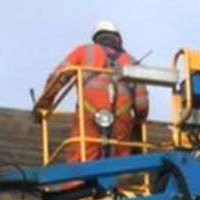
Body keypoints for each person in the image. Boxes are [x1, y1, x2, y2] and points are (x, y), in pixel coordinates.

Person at [36, 20, 149, 165]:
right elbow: (142, 105)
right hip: (121, 121)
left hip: (90, 116)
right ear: (119, 39)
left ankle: (76, 184)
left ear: (96, 38)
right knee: (119, 165)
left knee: (82, 157)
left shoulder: (84, 51)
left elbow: (58, 78)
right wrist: (138, 123)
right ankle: (115, 186)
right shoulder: (132, 62)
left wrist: (43, 105)